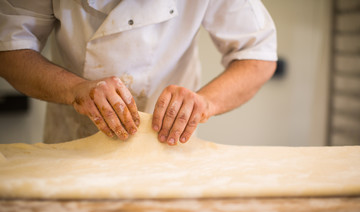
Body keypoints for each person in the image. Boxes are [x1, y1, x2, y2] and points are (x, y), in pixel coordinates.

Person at [0, 0, 277, 145]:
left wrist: (206, 102)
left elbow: (258, 54)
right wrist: (75, 90)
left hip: (171, 143)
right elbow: (9, 48)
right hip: (74, 137)